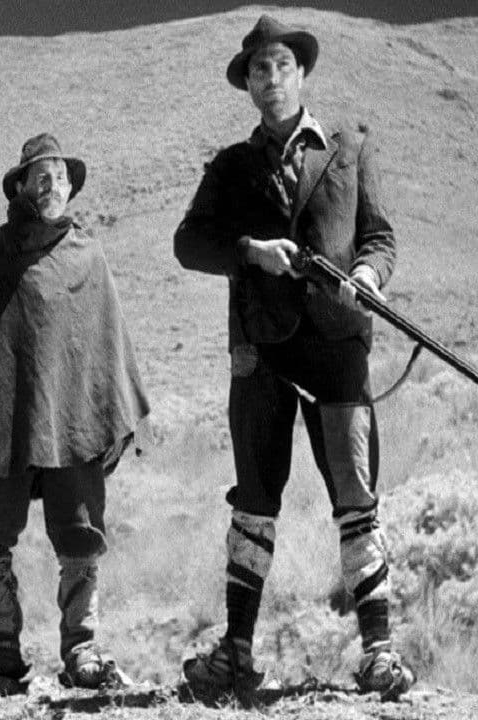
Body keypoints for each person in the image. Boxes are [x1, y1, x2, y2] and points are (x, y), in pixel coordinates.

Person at [172, 14, 412, 699]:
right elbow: (189, 244)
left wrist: (367, 275)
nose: (271, 78)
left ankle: (379, 654)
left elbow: (380, 238)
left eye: (282, 65)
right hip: (261, 356)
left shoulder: (349, 149)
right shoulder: (230, 167)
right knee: (254, 501)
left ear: (301, 73)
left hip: (338, 350)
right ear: (248, 84)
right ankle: (237, 655)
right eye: (259, 69)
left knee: (356, 498)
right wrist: (250, 251)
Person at [0, 133, 149, 691]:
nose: (52, 187)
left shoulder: (87, 255)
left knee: (80, 531)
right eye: (41, 178)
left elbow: (107, 342)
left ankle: (82, 649)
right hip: (5, 418)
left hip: (74, 418)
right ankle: (2, 651)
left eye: (60, 179)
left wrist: (113, 407)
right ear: (22, 187)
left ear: (71, 188)